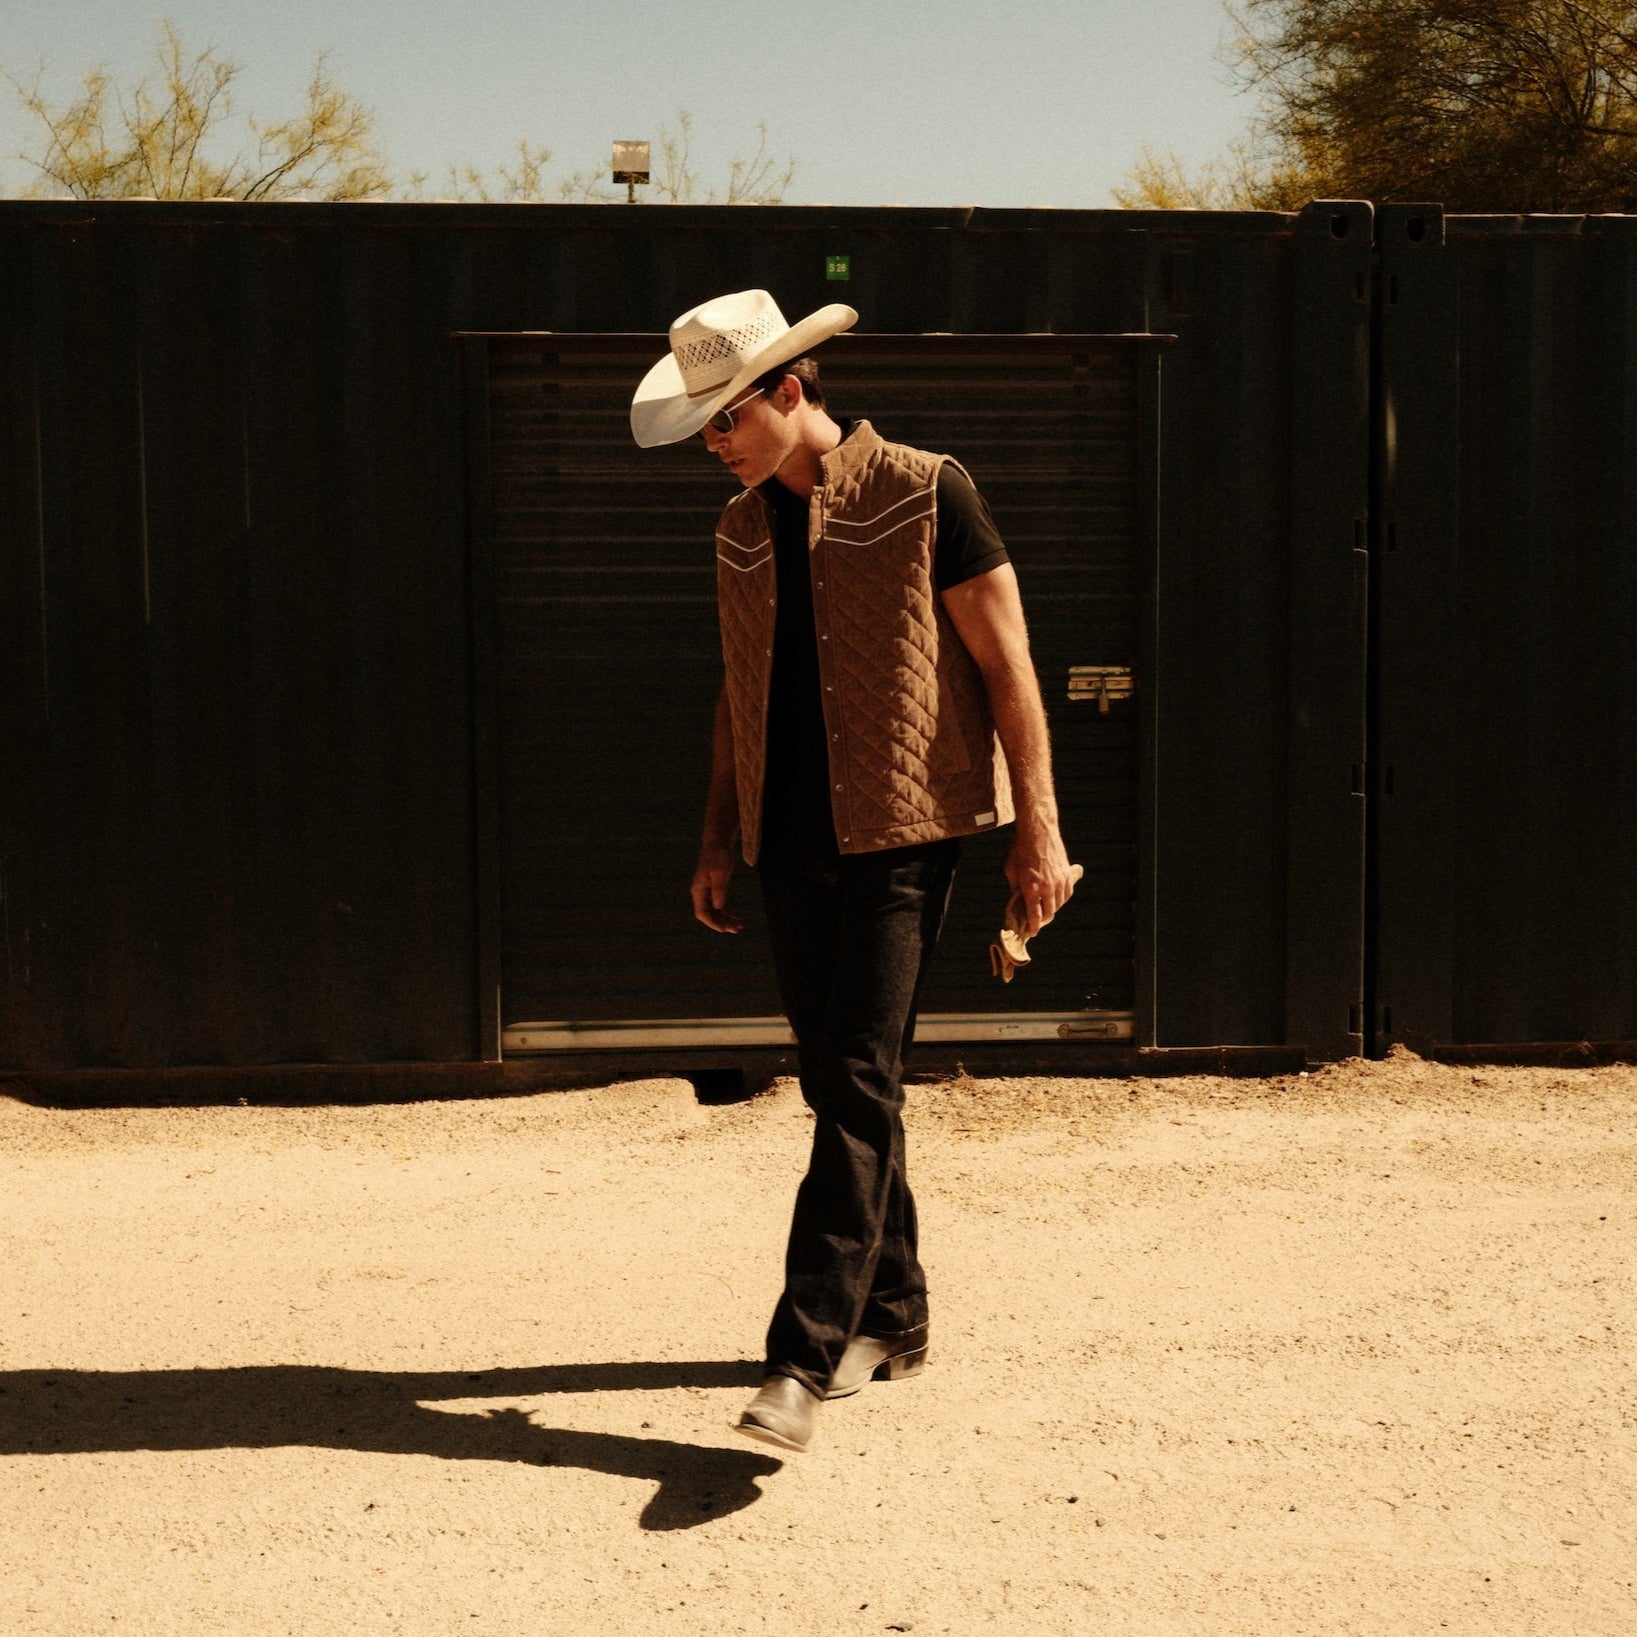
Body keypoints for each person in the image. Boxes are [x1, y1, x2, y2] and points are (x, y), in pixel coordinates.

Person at [630, 290, 1076, 1453]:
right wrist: (717, 834)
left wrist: (1040, 832)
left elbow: (1009, 665)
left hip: (904, 831)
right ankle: (897, 1312)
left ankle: (803, 1351)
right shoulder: (735, 530)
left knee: (857, 1075)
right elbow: (738, 689)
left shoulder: (927, 489)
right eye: (703, 428)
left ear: (788, 390)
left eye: (723, 419)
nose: (713, 445)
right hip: (789, 841)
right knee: (845, 1080)